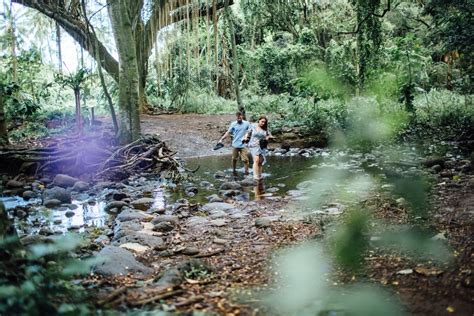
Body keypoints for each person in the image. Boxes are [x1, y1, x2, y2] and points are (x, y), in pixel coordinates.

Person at [244, 115, 274, 181]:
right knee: (256, 160)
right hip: (253, 144)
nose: (263, 123)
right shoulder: (253, 125)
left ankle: (259, 175)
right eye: (262, 121)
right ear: (259, 120)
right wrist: (245, 137)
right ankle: (255, 176)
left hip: (261, 145)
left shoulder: (265, 128)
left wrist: (268, 137)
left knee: (261, 161)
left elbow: (270, 135)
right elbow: (247, 132)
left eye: (264, 122)